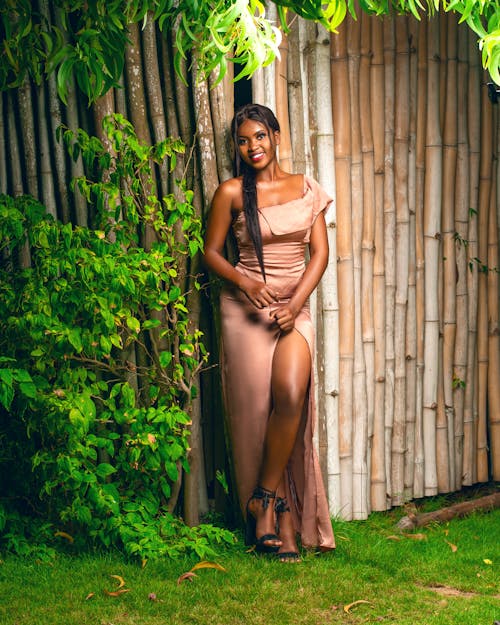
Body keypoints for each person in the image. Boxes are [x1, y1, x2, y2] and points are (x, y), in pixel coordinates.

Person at [203, 103, 335, 561]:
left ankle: (264, 497)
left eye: (259, 136)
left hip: (291, 309)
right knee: (257, 413)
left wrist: (294, 304)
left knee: (291, 396)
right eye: (243, 140)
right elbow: (211, 254)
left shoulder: (306, 188)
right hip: (246, 310)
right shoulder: (232, 193)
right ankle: (278, 519)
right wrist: (245, 281)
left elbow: (319, 253)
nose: (252, 147)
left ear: (276, 135)